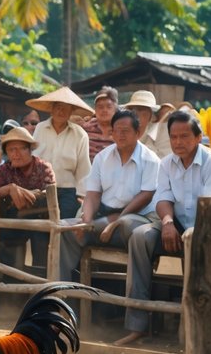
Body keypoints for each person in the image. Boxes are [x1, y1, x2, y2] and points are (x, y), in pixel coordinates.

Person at [115, 111, 211, 346]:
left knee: (191, 240)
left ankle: (193, 328)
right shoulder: (166, 163)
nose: (178, 142)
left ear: (198, 137)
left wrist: (188, 230)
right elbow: (163, 199)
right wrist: (166, 223)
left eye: (184, 136)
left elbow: (208, 206)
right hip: (172, 223)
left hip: (204, 227)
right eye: (173, 137)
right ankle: (138, 325)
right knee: (139, 236)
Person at [59, 109, 161, 277]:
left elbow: (146, 195)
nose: (120, 135)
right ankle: (62, 290)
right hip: (102, 217)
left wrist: (117, 219)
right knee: (64, 228)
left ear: (137, 132)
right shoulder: (102, 157)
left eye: (125, 131)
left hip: (135, 218)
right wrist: (87, 220)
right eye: (116, 131)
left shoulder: (150, 159)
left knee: (127, 224)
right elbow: (92, 193)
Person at [0, 126, 55, 270]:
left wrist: (22, 193)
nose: (16, 154)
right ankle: (7, 281)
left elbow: (49, 194)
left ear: (30, 149)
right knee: (5, 238)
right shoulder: (4, 169)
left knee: (41, 242)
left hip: (41, 219)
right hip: (13, 220)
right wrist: (10, 188)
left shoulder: (44, 167)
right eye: (11, 150)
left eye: (21, 149)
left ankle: (41, 286)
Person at [27, 86, 93, 220]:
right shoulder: (40, 128)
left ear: (71, 111)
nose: (61, 111)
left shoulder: (80, 135)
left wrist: (82, 196)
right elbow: (32, 158)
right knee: (38, 230)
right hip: (40, 190)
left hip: (68, 192)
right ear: (52, 108)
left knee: (62, 230)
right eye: (58, 106)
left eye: (66, 108)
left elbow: (83, 169)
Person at [124, 90, 172, 158]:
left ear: (150, 115)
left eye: (141, 110)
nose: (135, 114)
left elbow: (164, 160)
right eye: (132, 110)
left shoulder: (163, 132)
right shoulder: (122, 132)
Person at [81, 86, 119, 160]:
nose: (104, 110)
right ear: (95, 109)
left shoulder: (121, 130)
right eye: (100, 107)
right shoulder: (85, 128)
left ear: (115, 109)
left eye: (109, 107)